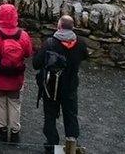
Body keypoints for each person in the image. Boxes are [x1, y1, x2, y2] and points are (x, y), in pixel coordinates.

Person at [0, 3, 34, 144]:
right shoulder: (23, 36)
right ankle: (15, 133)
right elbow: (28, 53)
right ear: (15, 16)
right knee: (15, 103)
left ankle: (1, 130)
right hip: (16, 78)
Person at [33, 15, 88, 154]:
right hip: (70, 86)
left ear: (59, 26)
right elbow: (85, 56)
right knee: (71, 115)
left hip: (52, 87)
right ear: (72, 27)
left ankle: (51, 144)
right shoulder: (80, 43)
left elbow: (36, 64)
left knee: (50, 115)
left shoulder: (50, 43)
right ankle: (71, 142)